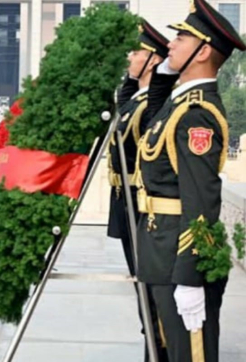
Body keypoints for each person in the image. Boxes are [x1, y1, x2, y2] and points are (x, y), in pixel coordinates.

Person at [135, 0, 245, 360]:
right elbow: (149, 111)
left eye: (181, 38)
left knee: (188, 354)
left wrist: (190, 275)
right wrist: (166, 71)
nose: (170, 45)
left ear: (203, 51)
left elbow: (201, 199)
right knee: (164, 350)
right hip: (158, 245)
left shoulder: (198, 115)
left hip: (176, 255)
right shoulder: (177, 104)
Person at [107, 21, 170, 361]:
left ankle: (156, 347)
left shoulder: (151, 105)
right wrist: (132, 80)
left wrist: (155, 77)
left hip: (140, 204)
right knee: (139, 282)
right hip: (125, 202)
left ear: (153, 60)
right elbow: (122, 106)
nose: (129, 57)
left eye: (136, 53)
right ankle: (151, 341)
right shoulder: (136, 100)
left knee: (148, 284)